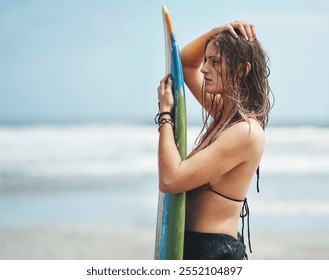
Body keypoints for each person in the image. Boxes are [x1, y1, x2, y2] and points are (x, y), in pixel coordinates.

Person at [156, 20, 272, 260]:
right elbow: (186, 63)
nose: (204, 69)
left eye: (215, 62)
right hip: (198, 246)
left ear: (242, 70)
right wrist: (217, 32)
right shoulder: (225, 114)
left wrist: (166, 114)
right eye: (207, 60)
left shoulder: (245, 132)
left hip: (215, 252)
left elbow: (172, 179)